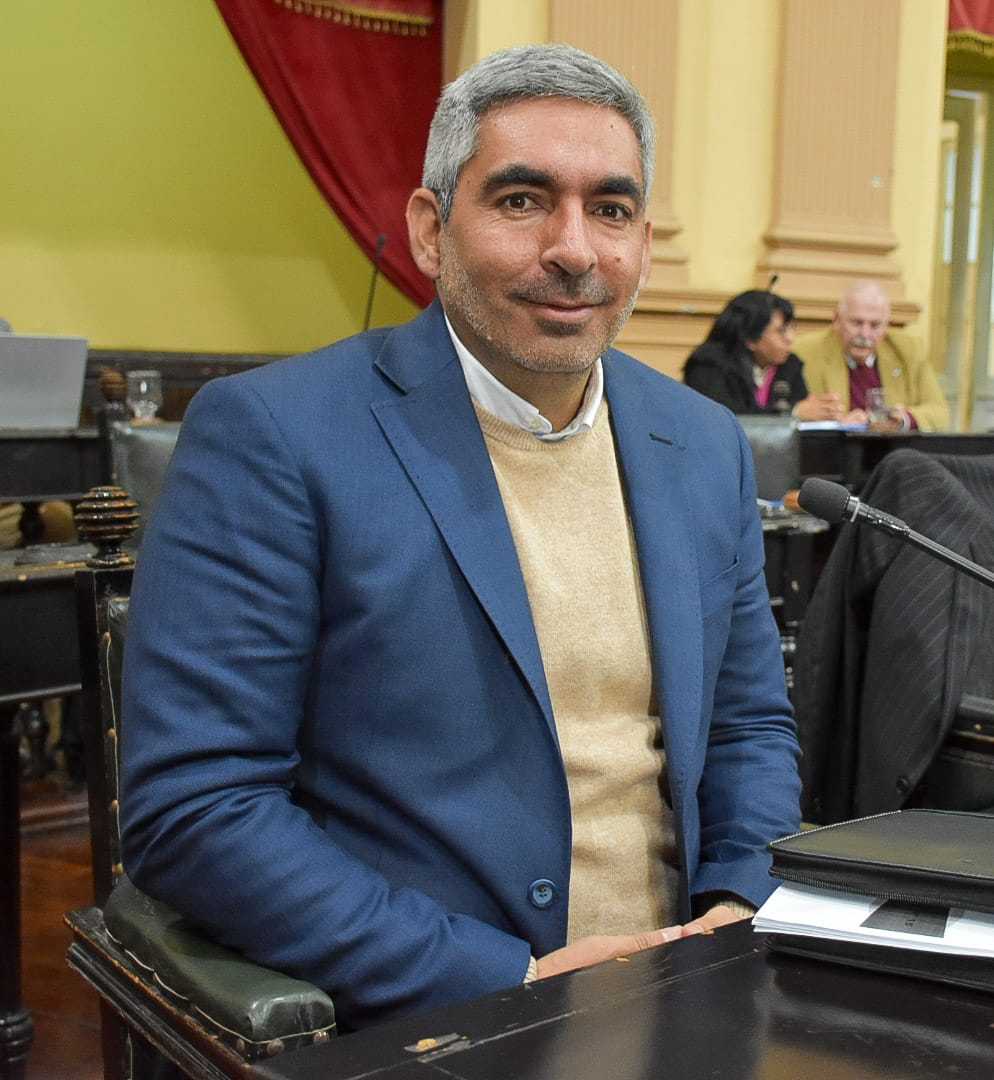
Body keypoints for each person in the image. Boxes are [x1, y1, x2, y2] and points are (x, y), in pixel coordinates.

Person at [120, 44, 801, 1032]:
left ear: (644, 243)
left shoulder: (701, 442)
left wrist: (736, 905)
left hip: (696, 994)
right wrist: (507, 978)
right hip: (440, 1014)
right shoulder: (275, 436)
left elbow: (747, 729)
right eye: (523, 200)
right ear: (431, 230)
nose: (574, 249)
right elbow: (198, 808)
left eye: (611, 209)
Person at [794, 280, 949, 431]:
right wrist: (836, 424)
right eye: (857, 323)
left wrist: (903, 419)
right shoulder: (804, 352)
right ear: (837, 320)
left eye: (875, 325)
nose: (865, 334)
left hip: (893, 446)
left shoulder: (909, 350)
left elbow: (940, 413)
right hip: (834, 446)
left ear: (886, 325)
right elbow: (788, 411)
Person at [683, 289, 840, 420]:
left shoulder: (790, 364)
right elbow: (728, 420)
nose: (790, 338)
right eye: (781, 331)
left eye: (792, 328)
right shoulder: (708, 365)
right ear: (750, 338)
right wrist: (792, 413)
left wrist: (827, 415)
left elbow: (803, 409)